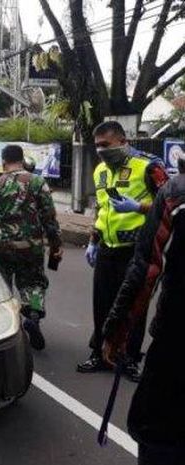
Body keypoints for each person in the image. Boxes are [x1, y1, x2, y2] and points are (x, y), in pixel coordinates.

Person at [101, 147, 185, 464]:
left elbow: (146, 271)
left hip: (177, 344)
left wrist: (117, 331)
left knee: (161, 435)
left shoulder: (174, 191)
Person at [77, 121, 168, 381]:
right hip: (107, 246)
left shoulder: (149, 166)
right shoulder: (101, 171)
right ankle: (99, 352)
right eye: (97, 146)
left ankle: (127, 358)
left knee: (132, 306)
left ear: (122, 140)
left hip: (138, 248)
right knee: (102, 302)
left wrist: (138, 207)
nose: (101, 151)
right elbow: (102, 209)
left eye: (106, 145)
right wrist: (94, 240)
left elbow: (170, 201)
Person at [0, 144, 63, 350]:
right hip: (31, 247)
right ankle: (33, 317)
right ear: (22, 159)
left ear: (3, 162)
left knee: (3, 288)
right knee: (33, 283)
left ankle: (4, 331)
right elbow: (49, 217)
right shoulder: (37, 182)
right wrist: (55, 245)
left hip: (2, 247)